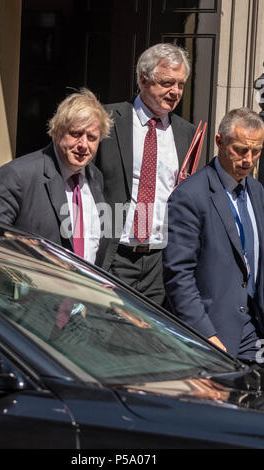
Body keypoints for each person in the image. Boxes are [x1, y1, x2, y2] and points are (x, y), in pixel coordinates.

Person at [95, 43, 197, 305]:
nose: (175, 92)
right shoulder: (107, 119)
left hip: (160, 262)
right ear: (143, 79)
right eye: (167, 83)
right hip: (113, 255)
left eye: (181, 84)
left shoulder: (187, 133)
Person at [163, 108, 264, 364]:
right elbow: (178, 274)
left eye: (256, 151)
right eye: (241, 150)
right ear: (219, 142)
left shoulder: (257, 191)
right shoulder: (190, 195)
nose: (248, 160)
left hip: (254, 332)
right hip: (212, 335)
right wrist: (205, 335)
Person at [0, 88, 113, 267]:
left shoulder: (95, 177)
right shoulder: (17, 175)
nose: (83, 145)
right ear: (57, 133)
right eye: (76, 134)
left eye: (92, 137)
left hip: (84, 291)